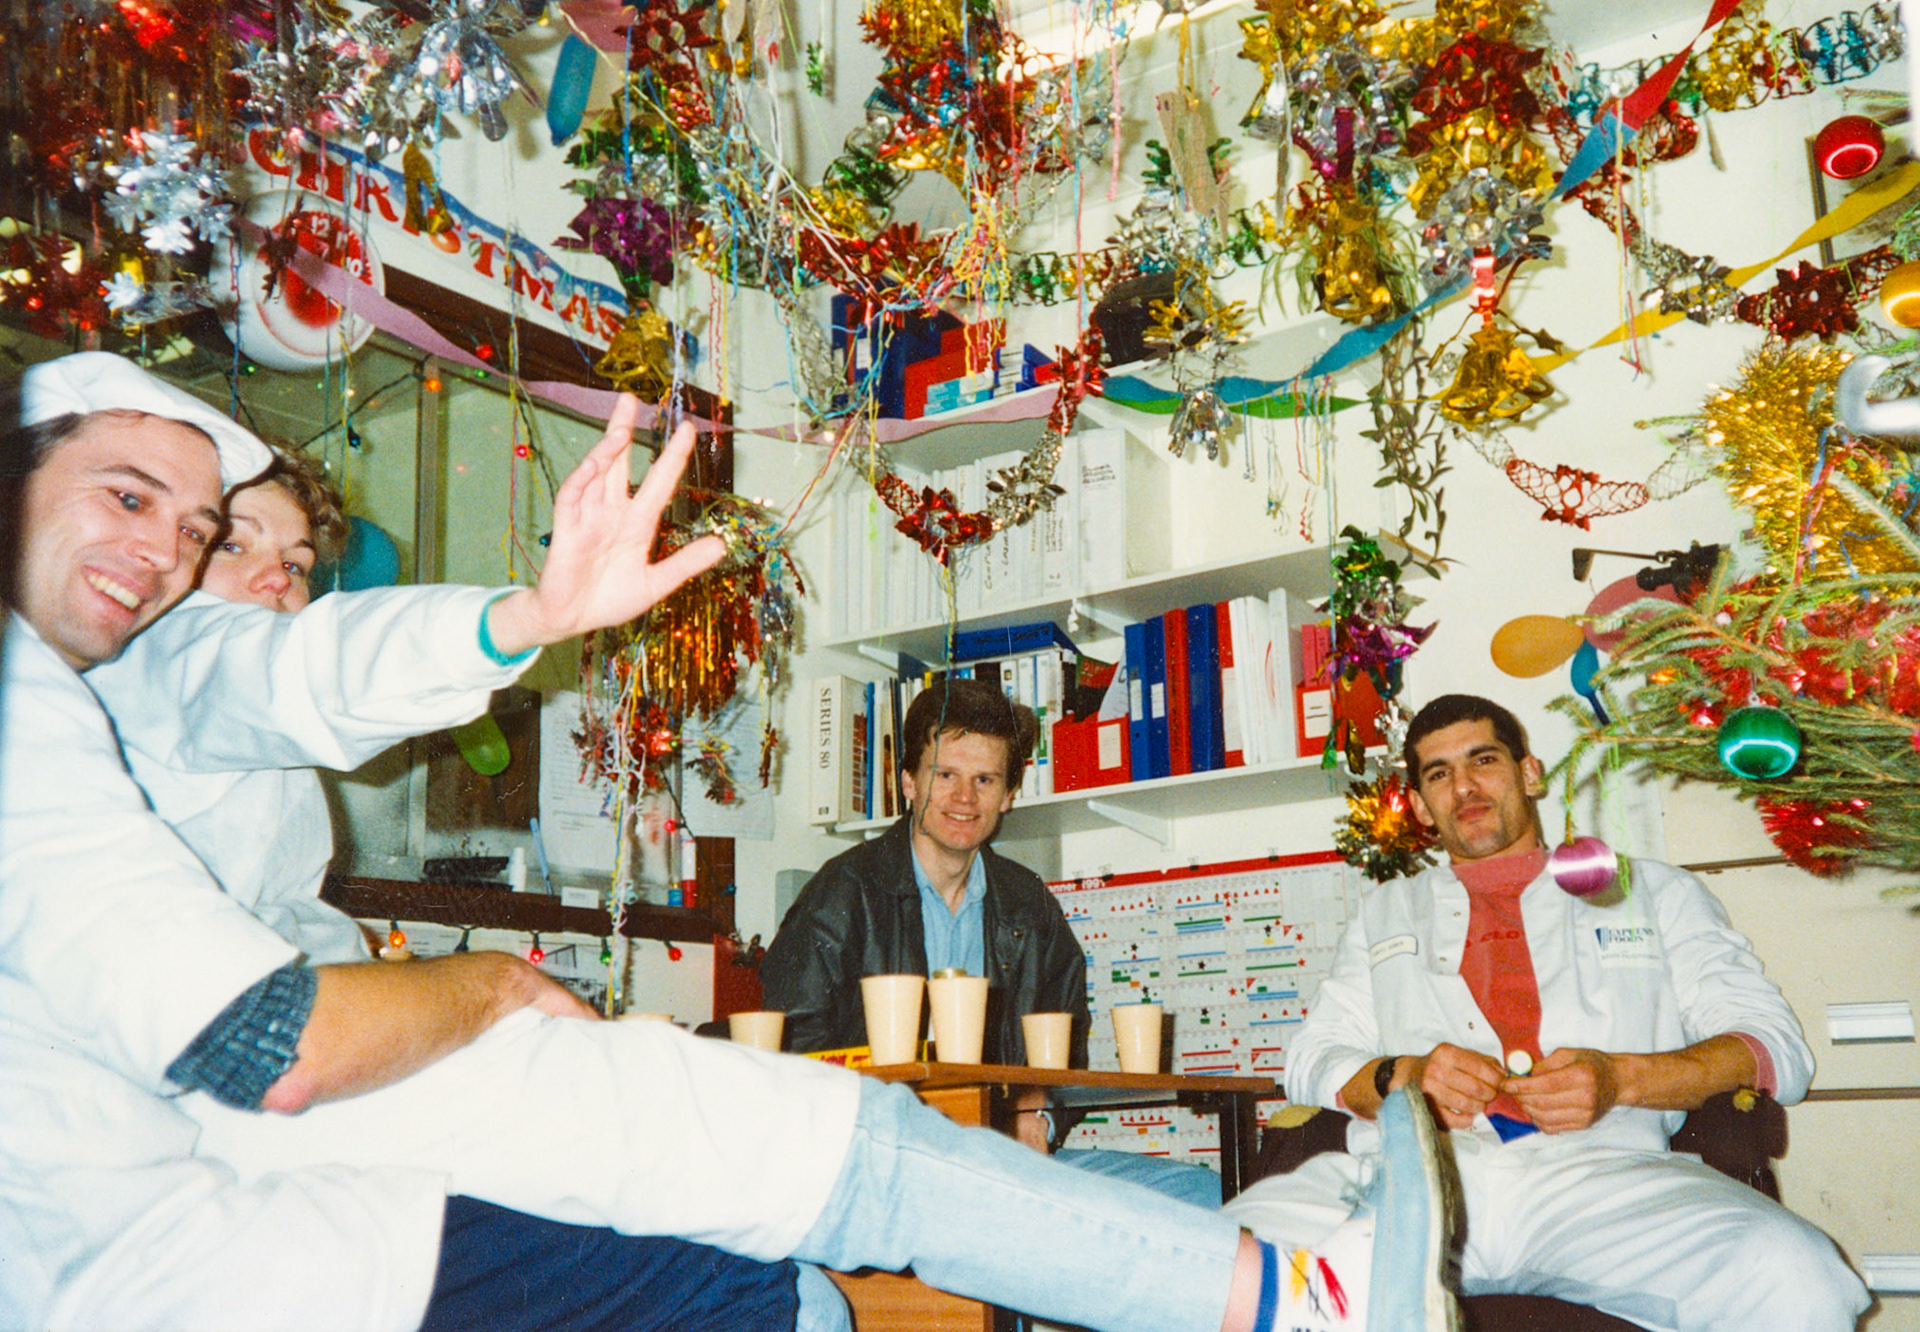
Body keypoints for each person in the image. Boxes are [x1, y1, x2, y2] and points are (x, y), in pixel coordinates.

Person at [0, 351, 1459, 1332]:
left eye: (244, 547)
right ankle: (1300, 1301)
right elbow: (271, 1037)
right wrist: (487, 984)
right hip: (192, 1211)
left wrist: (522, 619)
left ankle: (1291, 1293)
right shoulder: (44, 698)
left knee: (785, 1274)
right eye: (146, 509)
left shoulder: (146, 663)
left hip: (265, 1166)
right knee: (798, 1213)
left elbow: (295, 674)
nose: (203, 569)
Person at [1223, 693, 1871, 1332]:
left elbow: (1774, 1047)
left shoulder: (1651, 889)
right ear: (1420, 804)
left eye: (1484, 760)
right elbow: (1310, 1060)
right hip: (1413, 1185)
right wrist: (1403, 1078)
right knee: (1217, 1264)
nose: (1465, 787)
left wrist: (1622, 1079)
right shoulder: (1387, 912)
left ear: (1529, 772)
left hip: (1606, 1181)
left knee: (1799, 1279)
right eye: (1439, 774)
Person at [764, 677, 1220, 1207]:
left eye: (984, 779)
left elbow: (1064, 1046)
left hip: (1004, 1159)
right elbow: (792, 1045)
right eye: (946, 775)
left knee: (1204, 1195)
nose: (964, 798)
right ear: (908, 781)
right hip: (884, 1167)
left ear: (1007, 796)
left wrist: (1039, 1119)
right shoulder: (842, 892)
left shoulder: (1028, 903)